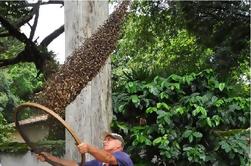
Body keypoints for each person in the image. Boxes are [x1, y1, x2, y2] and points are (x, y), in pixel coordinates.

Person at [37, 132, 133, 166]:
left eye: (109, 140)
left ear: (119, 145)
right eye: (104, 140)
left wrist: (89, 148)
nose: (104, 142)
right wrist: (49, 158)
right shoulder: (99, 163)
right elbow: (75, 165)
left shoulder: (124, 157)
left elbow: (109, 158)